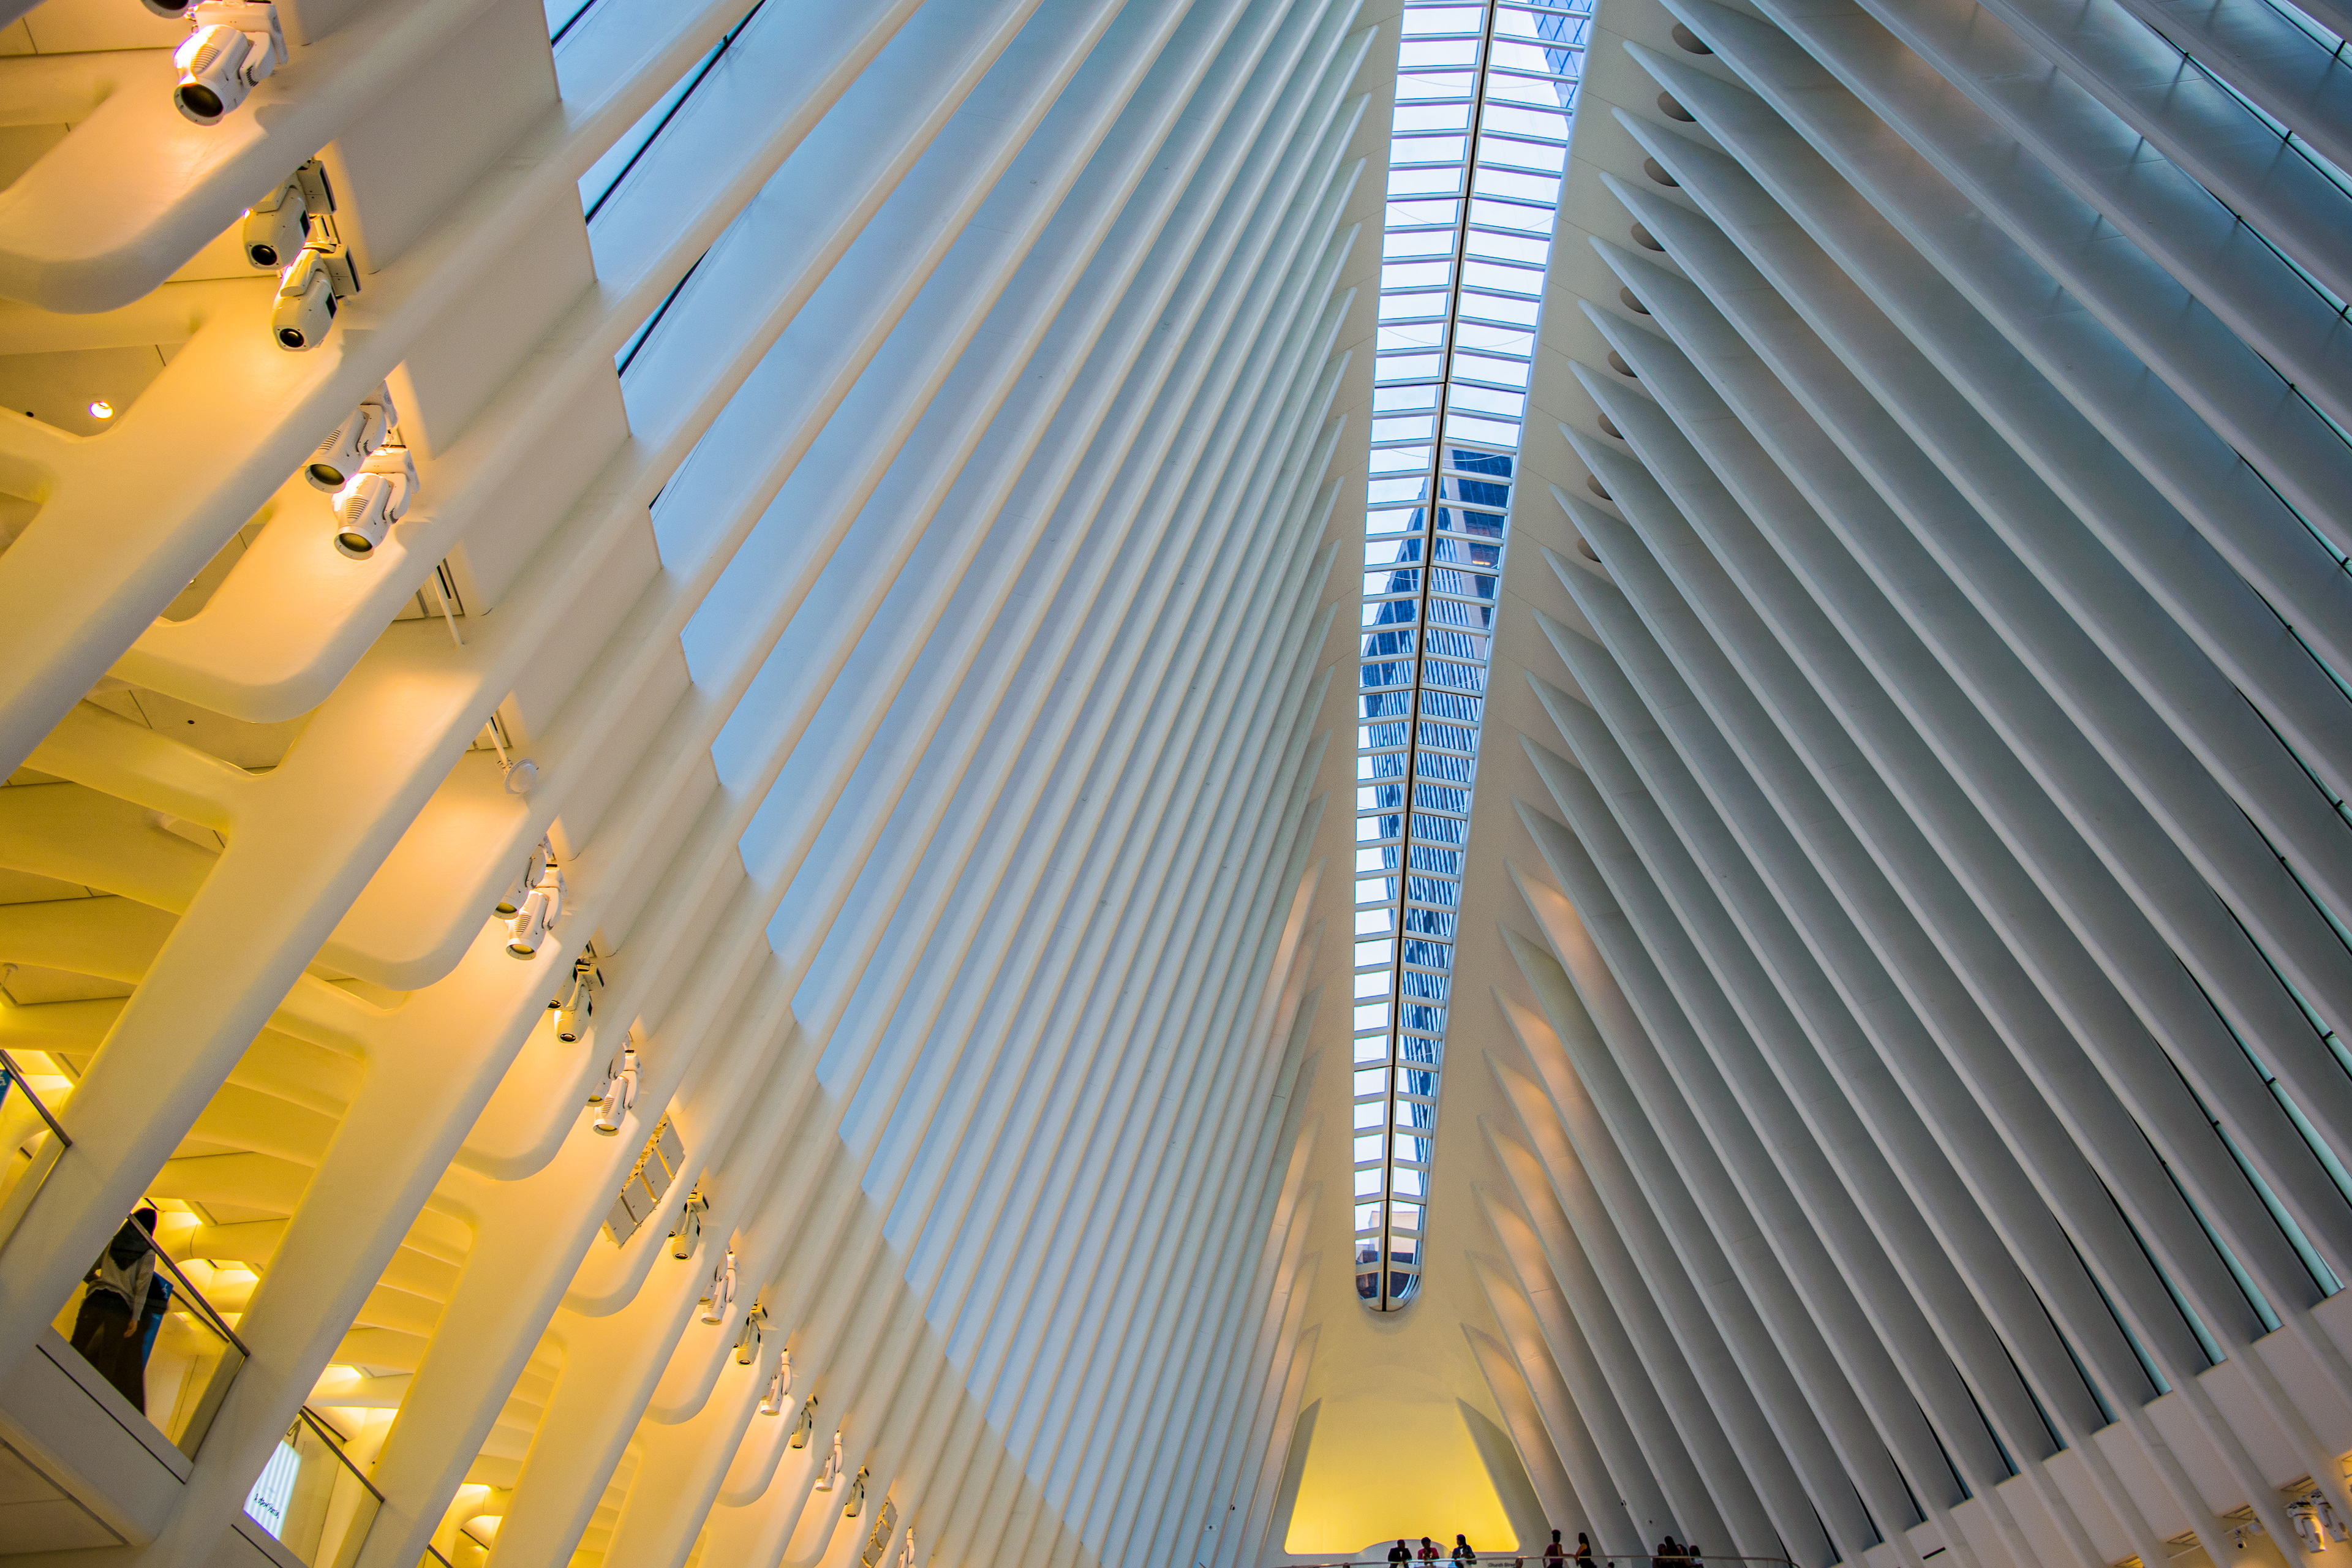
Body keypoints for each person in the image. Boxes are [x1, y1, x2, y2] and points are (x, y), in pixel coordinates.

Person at [69, 1208, 162, 1411]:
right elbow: (142, 1289)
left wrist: (100, 1284)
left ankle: (61, 1384)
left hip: (96, 1299)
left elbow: (88, 1270)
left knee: (76, 1346)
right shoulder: (148, 1254)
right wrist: (135, 1318)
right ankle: (92, 1405)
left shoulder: (114, 1241)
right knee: (108, 1359)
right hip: (120, 1309)